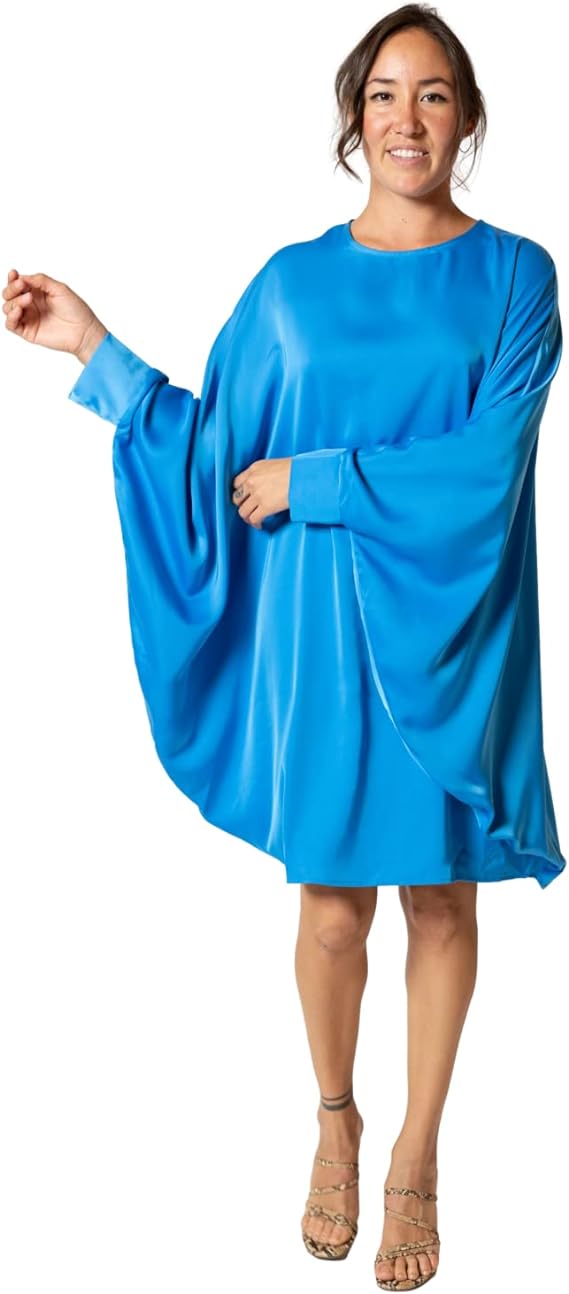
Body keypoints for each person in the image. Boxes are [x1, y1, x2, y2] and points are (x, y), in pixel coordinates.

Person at [3, 5, 565, 1289]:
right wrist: (92, 345)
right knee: (329, 910)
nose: (407, 119)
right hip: (320, 639)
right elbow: (217, 453)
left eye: (433, 94)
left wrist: (316, 480)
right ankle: (335, 1117)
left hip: (449, 634)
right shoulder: (290, 286)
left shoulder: (515, 278)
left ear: (467, 118)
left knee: (440, 896)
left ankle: (416, 1153)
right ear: (352, 118)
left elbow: (483, 469)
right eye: (383, 94)